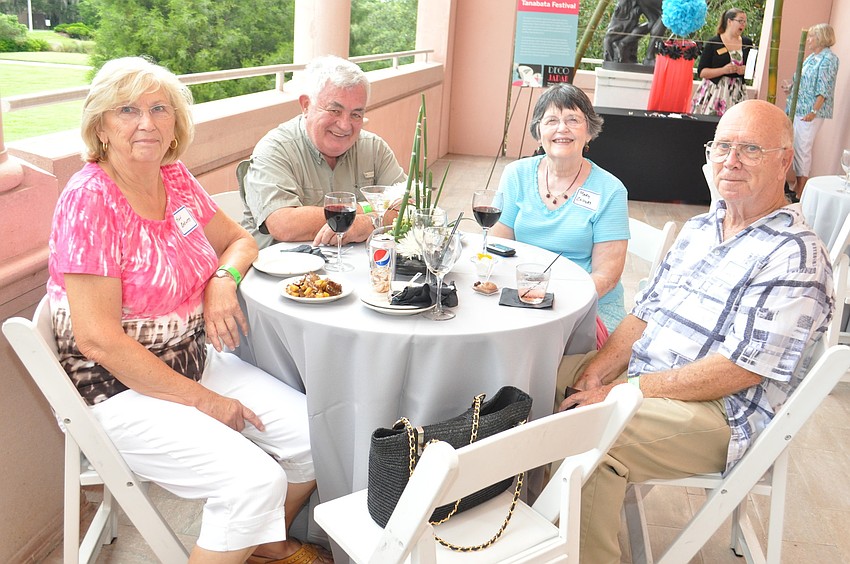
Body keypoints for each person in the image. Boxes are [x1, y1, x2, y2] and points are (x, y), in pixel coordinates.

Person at [46, 57, 332, 564]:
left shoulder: (173, 177)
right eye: (127, 110)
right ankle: (247, 531)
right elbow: (98, 340)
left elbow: (241, 241)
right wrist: (204, 402)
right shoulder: (90, 201)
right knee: (251, 480)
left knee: (316, 436)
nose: (147, 123)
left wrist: (223, 279)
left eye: (160, 108)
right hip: (116, 388)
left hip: (192, 357)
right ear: (101, 126)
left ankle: (262, 543)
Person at [554, 100, 834, 563]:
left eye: (750, 149)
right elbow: (644, 315)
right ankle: (542, 530)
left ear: (785, 161)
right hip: (654, 381)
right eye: (722, 146)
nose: (731, 160)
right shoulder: (701, 228)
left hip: (721, 412)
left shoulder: (795, 256)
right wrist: (598, 373)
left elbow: (738, 371)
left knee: (590, 438)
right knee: (533, 376)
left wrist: (624, 391)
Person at [491, 84, 630, 337]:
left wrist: (555, 303)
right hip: (524, 296)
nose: (561, 129)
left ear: (589, 132)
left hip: (587, 306)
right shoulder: (516, 174)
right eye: (551, 120)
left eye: (573, 120)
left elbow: (607, 276)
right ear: (538, 131)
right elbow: (497, 243)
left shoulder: (610, 190)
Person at [241, 55, 406, 249]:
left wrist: (369, 223)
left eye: (356, 114)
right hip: (278, 272)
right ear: (306, 105)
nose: (345, 125)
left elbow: (410, 207)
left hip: (351, 269)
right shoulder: (275, 149)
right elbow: (284, 224)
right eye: (334, 111)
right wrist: (369, 211)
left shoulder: (374, 148)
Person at [782, 23, 840, 200]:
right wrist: (790, 88)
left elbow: (824, 88)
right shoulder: (811, 58)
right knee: (795, 146)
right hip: (798, 108)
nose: (808, 40)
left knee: (803, 148)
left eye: (811, 37)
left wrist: (814, 111)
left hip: (809, 112)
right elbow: (802, 81)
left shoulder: (828, 59)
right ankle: (796, 186)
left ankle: (801, 189)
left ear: (821, 37)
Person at [691, 8, 754, 116]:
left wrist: (745, 70)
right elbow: (702, 72)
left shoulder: (747, 43)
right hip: (716, 91)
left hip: (737, 92)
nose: (743, 25)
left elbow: (752, 70)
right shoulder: (713, 42)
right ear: (729, 21)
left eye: (745, 22)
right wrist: (723, 70)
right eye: (740, 21)